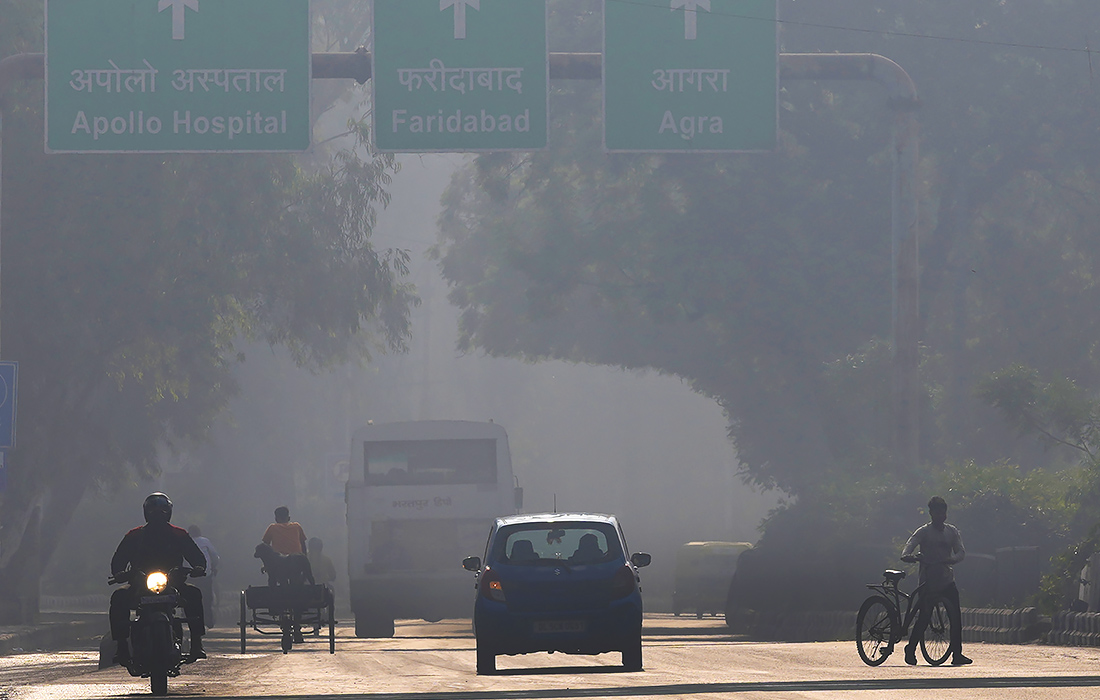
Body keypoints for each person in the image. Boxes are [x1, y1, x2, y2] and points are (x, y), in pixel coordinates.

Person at [110, 493, 207, 665]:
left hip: (173, 583)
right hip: (140, 584)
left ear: (168, 513)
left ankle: (197, 643)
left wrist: (199, 568)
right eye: (154, 513)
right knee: (118, 597)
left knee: (193, 594)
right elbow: (118, 560)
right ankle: (122, 645)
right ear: (147, 514)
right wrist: (119, 573)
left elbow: (197, 557)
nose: (157, 517)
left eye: (161, 512)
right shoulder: (134, 535)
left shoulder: (179, 534)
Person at [900, 495, 972, 666]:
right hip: (928, 580)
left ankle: (957, 654)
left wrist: (952, 560)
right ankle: (910, 649)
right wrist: (911, 557)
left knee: (956, 618)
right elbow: (907, 549)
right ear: (931, 513)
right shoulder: (923, 532)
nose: (941, 516)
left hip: (947, 579)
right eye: (937, 512)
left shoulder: (952, 531)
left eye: (943, 512)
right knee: (924, 618)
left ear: (946, 514)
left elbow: (961, 552)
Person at [188, 525, 220, 627]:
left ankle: (190, 617)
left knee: (189, 598)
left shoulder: (186, 541)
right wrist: (214, 567)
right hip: (205, 574)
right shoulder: (205, 541)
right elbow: (214, 557)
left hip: (190, 575)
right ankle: (208, 620)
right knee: (207, 597)